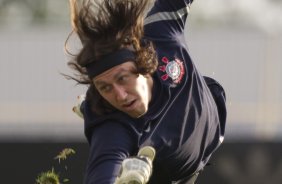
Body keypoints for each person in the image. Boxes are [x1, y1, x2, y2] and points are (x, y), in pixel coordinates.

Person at [66, 0, 227, 183]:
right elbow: (102, 170)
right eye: (105, 87)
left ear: (141, 63)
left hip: (211, 116)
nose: (120, 96)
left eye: (122, 78)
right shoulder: (111, 123)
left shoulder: (161, 31)